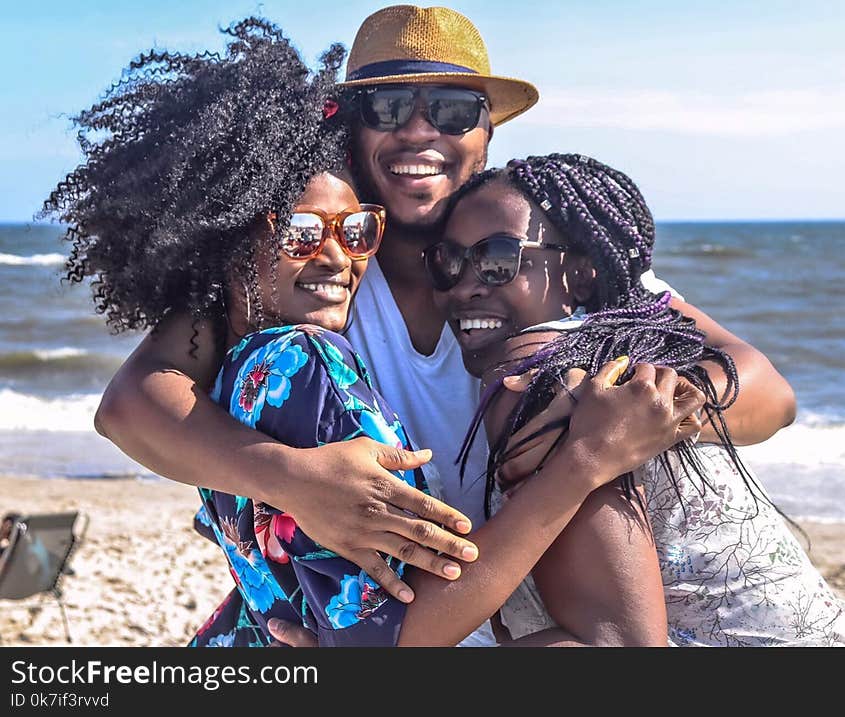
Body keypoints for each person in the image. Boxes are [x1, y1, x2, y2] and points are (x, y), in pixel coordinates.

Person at [87, 6, 795, 645]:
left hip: (514, 611)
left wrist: (628, 413)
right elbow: (134, 404)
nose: (420, 130)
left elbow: (765, 391)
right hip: (426, 615)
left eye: (454, 109)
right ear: (347, 124)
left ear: (487, 134)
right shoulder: (314, 271)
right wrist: (296, 480)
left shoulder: (532, 264)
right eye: (389, 105)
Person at [428, 153, 845, 646]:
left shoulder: (543, 385)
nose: (466, 285)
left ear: (580, 274)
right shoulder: (634, 340)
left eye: (497, 260)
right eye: (448, 263)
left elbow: (619, 647)